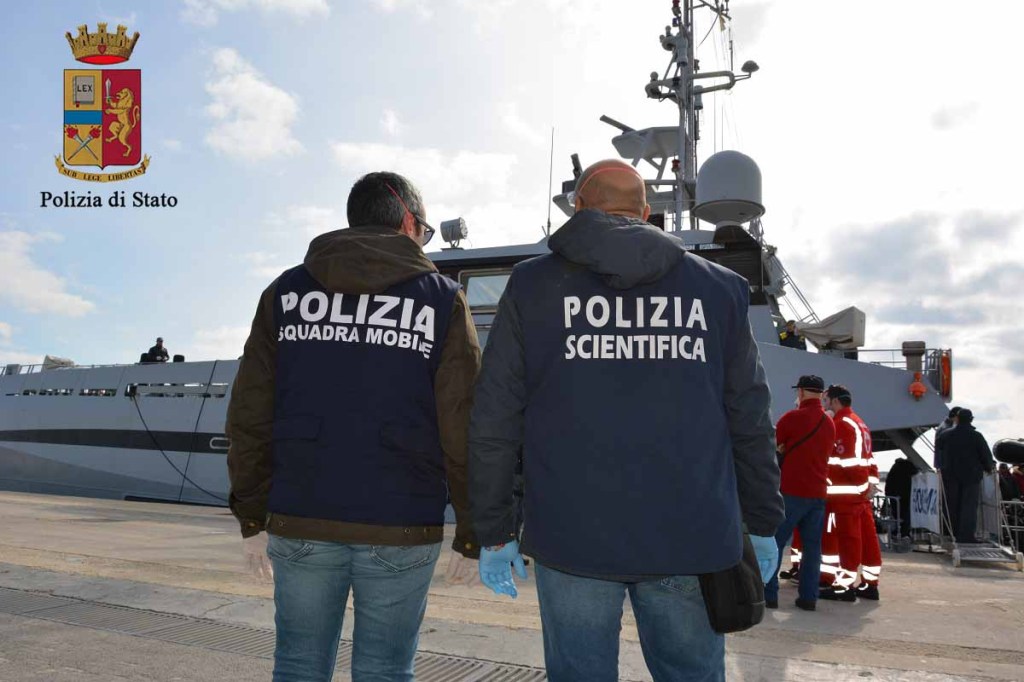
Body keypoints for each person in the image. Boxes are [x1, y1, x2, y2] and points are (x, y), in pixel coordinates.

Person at [468, 159, 784, 682]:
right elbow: (749, 417)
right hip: (691, 536)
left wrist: (495, 531)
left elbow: (494, 419)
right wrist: (764, 519)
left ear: (578, 208)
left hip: (571, 537)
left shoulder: (531, 285)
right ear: (646, 212)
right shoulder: (720, 288)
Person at [226, 171, 481, 682]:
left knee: (298, 665)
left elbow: (250, 412)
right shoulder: (441, 299)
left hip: (301, 515)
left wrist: (251, 515)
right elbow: (463, 423)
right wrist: (476, 530)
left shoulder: (285, 292)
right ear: (408, 222)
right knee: (385, 670)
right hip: (403, 522)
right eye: (425, 231)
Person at [765, 375, 836, 612]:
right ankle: (808, 598)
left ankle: (769, 594)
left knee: (775, 543)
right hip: (818, 494)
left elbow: (773, 445)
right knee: (812, 548)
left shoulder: (792, 418)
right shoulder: (829, 423)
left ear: (801, 392)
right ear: (821, 394)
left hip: (792, 492)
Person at [819, 384, 877, 602]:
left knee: (847, 541)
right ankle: (870, 583)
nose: (825, 405)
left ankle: (844, 586)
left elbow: (850, 462)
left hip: (844, 497)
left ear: (835, 401)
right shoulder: (860, 423)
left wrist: (862, 489)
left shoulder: (842, 424)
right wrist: (869, 488)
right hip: (858, 497)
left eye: (826, 401)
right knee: (867, 540)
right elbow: (869, 460)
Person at [939, 408, 995, 544]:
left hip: (950, 475)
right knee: (968, 506)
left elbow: (939, 455)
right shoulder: (976, 436)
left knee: (951, 505)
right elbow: (985, 455)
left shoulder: (945, 435)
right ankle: (966, 536)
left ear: (957, 419)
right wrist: (989, 467)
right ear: (971, 420)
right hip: (971, 476)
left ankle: (950, 533)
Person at [885, 455, 919, 537]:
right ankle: (904, 532)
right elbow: (916, 473)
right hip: (905, 494)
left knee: (897, 514)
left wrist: (888, 493)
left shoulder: (895, 467)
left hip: (893, 494)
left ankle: (898, 530)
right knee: (905, 514)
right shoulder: (909, 467)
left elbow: (889, 482)